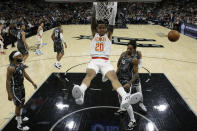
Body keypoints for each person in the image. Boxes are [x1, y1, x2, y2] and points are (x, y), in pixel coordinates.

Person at [72, 6, 142, 114]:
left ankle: (125, 97)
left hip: (105, 62)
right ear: (96, 29)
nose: (101, 29)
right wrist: (94, 8)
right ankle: (81, 91)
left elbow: (112, 25)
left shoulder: (108, 35)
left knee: (113, 78)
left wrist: (113, 12)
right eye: (99, 28)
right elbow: (92, 23)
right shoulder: (94, 34)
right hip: (94, 61)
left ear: (106, 29)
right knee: (89, 75)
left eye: (103, 28)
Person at [6, 51, 37, 131]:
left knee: (22, 102)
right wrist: (9, 94)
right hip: (15, 88)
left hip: (21, 86)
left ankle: (19, 117)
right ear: (14, 58)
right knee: (18, 105)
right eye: (19, 56)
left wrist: (32, 82)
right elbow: (7, 81)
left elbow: (25, 74)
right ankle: (19, 125)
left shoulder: (21, 64)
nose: (22, 57)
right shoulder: (11, 68)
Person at [117, 40, 147, 112]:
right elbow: (118, 65)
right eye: (127, 48)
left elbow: (140, 64)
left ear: (134, 49)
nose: (128, 50)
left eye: (130, 49)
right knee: (123, 94)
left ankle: (141, 104)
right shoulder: (124, 54)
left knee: (140, 92)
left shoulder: (138, 53)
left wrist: (135, 68)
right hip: (126, 77)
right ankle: (122, 107)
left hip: (135, 77)